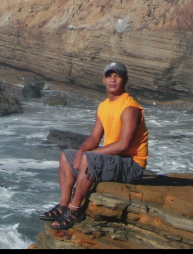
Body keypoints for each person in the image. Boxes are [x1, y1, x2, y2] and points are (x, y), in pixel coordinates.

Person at [39, 61, 148, 230]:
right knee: (66, 156)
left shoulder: (130, 108)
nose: (112, 80)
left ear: (124, 80)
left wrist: (89, 155)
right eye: (109, 75)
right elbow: (95, 137)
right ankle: (63, 205)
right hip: (113, 160)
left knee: (89, 158)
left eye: (117, 76)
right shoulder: (104, 106)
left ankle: (75, 209)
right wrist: (81, 150)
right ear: (103, 80)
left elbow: (123, 145)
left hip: (131, 165)